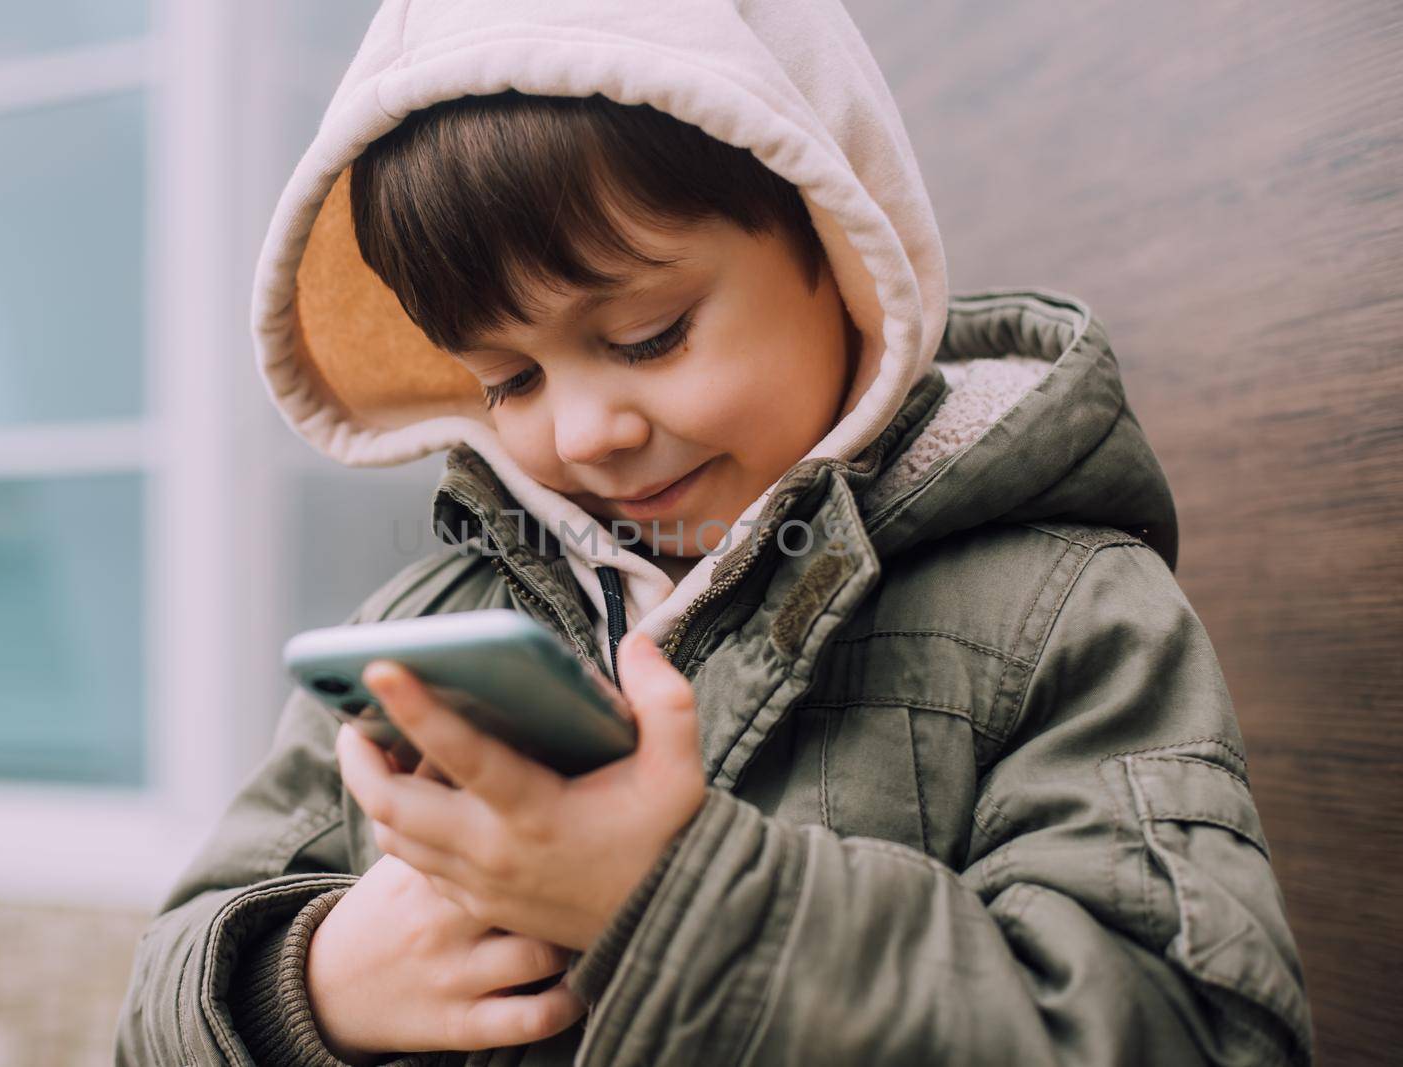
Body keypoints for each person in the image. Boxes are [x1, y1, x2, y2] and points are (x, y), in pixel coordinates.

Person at [115, 1, 1313, 1064]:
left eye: (646, 336)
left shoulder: (1059, 614)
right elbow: (154, 1008)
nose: (584, 430)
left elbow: (1197, 1027)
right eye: (507, 379)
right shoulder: (425, 634)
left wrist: (676, 896)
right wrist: (309, 983)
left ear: (839, 252)